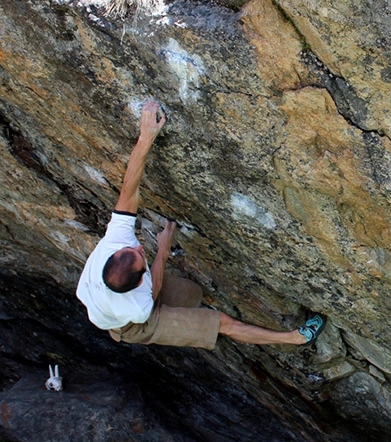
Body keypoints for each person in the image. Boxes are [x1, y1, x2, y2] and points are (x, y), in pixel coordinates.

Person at [76, 101, 326, 350]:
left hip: (112, 308)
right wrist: (162, 249)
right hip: (136, 325)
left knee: (192, 294)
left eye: (132, 250)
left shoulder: (113, 242)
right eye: (142, 256)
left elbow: (129, 190)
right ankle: (296, 338)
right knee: (222, 323)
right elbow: (151, 296)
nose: (140, 247)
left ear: (114, 254)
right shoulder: (139, 307)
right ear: (141, 281)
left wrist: (145, 137)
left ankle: (188, 317)